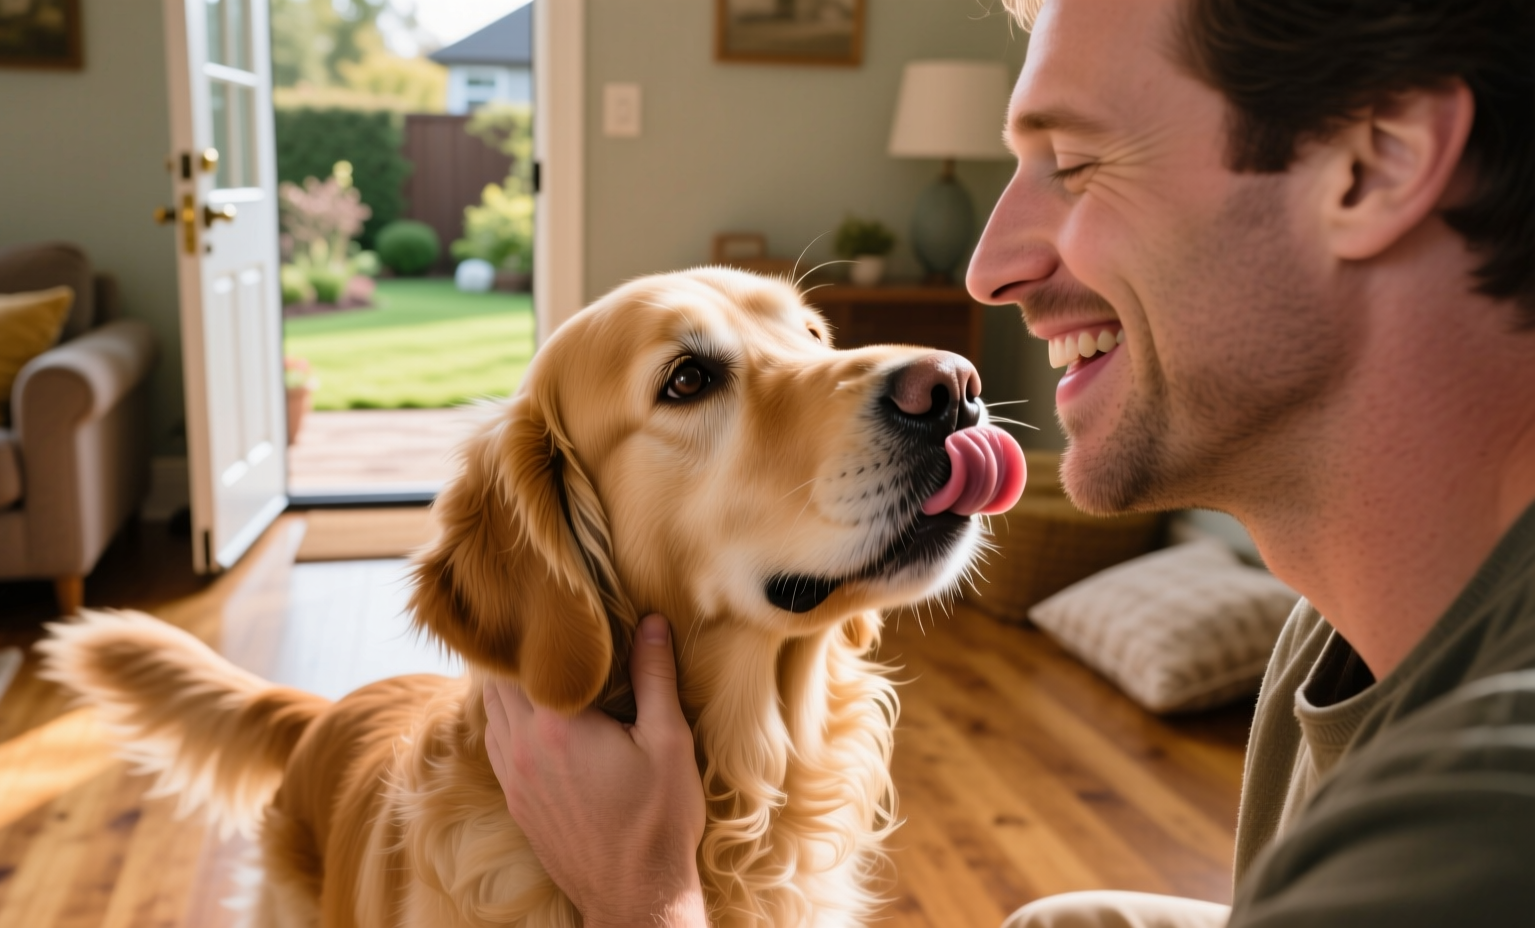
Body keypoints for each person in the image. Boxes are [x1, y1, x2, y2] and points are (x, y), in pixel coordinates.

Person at [480, 0, 1535, 925]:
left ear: (1375, 162)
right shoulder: (1340, 627)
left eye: (1074, 163)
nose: (988, 269)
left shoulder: (1484, 816)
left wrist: (643, 903)